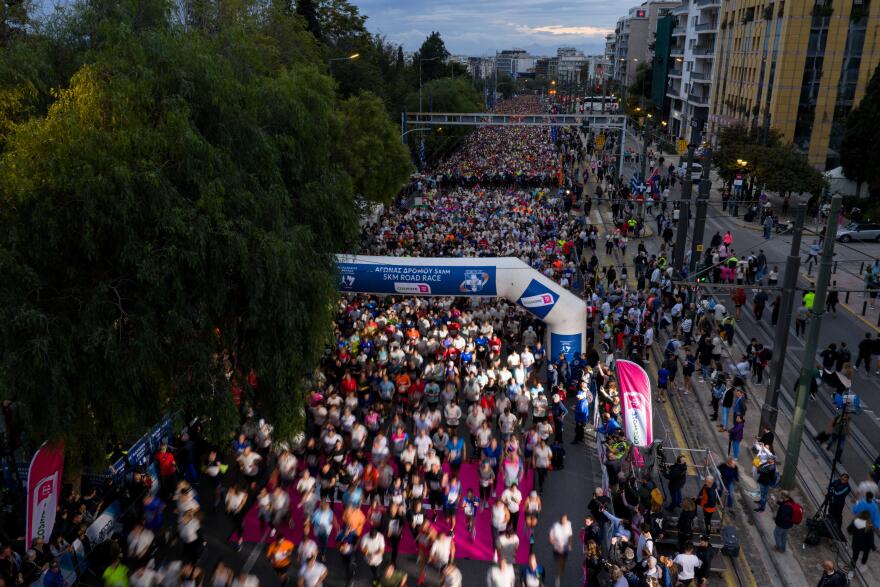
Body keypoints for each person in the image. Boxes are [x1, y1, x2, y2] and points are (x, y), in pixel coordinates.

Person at [548, 514, 573, 587]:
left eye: (565, 520)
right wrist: (553, 542)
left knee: (563, 563)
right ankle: (557, 576)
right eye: (563, 520)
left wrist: (570, 544)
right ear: (560, 520)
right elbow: (550, 536)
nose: (564, 522)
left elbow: (570, 535)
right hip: (556, 549)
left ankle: (560, 570)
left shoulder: (568, 524)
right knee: (557, 562)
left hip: (565, 549)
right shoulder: (555, 526)